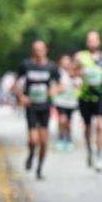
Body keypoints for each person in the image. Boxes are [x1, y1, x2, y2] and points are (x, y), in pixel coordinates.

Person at [12, 40, 59, 180]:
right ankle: (31, 154)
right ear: (32, 51)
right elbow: (15, 84)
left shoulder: (51, 66)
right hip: (31, 107)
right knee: (33, 140)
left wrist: (55, 90)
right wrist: (21, 96)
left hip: (45, 106)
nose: (38, 52)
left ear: (45, 50)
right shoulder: (26, 65)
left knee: (43, 141)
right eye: (35, 49)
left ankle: (39, 169)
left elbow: (61, 84)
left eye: (41, 49)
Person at [74, 31, 102, 172]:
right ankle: (89, 148)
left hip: (100, 94)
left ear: (99, 41)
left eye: (95, 40)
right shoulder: (80, 56)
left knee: (100, 126)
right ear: (86, 42)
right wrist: (79, 75)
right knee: (87, 127)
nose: (92, 43)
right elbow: (73, 72)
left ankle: (100, 156)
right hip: (85, 96)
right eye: (90, 40)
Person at [53, 54, 80, 152]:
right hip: (61, 101)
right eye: (64, 61)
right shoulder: (58, 73)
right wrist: (60, 88)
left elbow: (79, 85)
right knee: (62, 120)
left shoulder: (75, 73)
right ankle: (60, 138)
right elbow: (54, 87)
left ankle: (68, 138)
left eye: (68, 61)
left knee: (68, 122)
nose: (66, 63)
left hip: (71, 102)